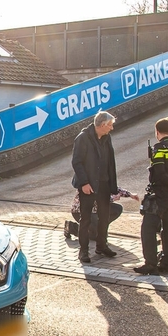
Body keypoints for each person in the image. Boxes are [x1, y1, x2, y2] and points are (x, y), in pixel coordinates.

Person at [135, 117, 168, 275]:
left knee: (148, 228)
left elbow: (160, 172)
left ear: (157, 132)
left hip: (160, 195)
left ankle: (150, 263)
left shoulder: (159, 149)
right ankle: (167, 263)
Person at [71, 111, 119, 263]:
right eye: (110, 125)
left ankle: (101, 246)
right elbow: (77, 162)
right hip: (89, 185)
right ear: (103, 125)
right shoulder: (83, 138)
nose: (111, 128)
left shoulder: (106, 137)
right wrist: (84, 183)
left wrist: (113, 186)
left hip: (104, 183)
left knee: (104, 217)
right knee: (85, 219)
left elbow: (110, 161)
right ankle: (83, 251)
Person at [66, 187, 140, 241]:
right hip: (81, 211)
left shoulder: (103, 177)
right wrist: (112, 198)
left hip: (95, 210)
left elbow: (115, 189)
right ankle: (71, 227)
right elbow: (96, 199)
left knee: (117, 209)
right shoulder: (91, 179)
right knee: (96, 236)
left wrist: (130, 194)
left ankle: (99, 228)